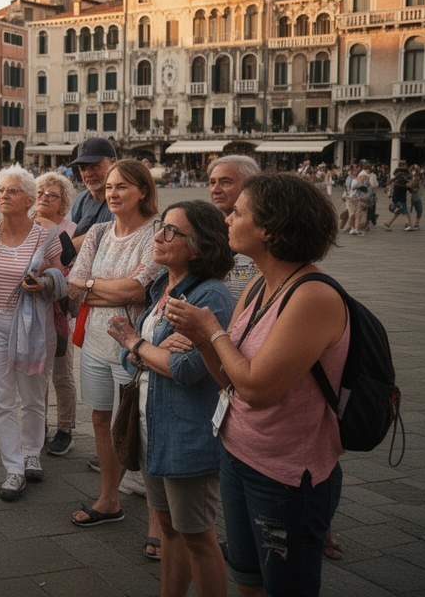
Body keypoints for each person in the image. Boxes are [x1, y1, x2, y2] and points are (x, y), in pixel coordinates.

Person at [167, 173, 347, 596]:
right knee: (246, 575)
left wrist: (210, 329)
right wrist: (202, 338)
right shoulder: (259, 284)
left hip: (285, 473)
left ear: (268, 229)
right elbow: (228, 378)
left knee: (286, 585)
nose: (227, 218)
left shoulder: (312, 296)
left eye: (238, 213)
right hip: (238, 452)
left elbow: (257, 390)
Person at [107, 201, 235, 597]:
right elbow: (138, 362)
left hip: (187, 433)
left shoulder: (210, 296)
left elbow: (186, 369)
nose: (158, 236)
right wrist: (147, 350)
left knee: (197, 535)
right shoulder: (164, 288)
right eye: (160, 227)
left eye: (170, 231)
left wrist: (135, 341)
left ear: (197, 246)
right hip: (153, 426)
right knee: (167, 531)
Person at [68, 159, 162, 527]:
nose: (112, 193)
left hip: (134, 347)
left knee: (141, 426)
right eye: (109, 187)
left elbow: (139, 288)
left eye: (122, 186)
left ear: (143, 191)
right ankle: (109, 499)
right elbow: (75, 287)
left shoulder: (157, 233)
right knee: (100, 419)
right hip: (94, 341)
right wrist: (104, 291)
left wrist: (93, 287)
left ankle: (158, 521)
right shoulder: (98, 232)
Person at [0, 166, 66, 501]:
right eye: (0, 190)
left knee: (32, 394)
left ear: (29, 199)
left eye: (12, 191)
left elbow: (61, 274)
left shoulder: (46, 235)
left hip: (33, 325)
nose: (4, 196)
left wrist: (45, 281)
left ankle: (31, 453)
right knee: (2, 398)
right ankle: (13, 468)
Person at [33, 171, 78, 457]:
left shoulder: (70, 230)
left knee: (62, 374)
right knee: (37, 373)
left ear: (63, 203)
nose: (45, 198)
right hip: (33, 312)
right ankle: (40, 425)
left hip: (59, 312)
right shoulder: (26, 225)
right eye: (40, 193)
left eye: (52, 195)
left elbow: (68, 267)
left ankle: (65, 428)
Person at [206, 155, 261, 300]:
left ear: (250, 186)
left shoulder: (262, 236)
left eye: (225, 182)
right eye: (212, 183)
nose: (215, 190)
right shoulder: (208, 233)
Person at [68, 137, 118, 250]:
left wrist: (67, 247)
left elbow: (114, 238)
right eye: (83, 168)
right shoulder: (80, 199)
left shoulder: (121, 199)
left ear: (113, 162)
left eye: (94, 166)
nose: (88, 174)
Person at [383, 161, 411, 230]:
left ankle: (409, 224)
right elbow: (404, 184)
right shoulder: (404, 174)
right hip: (400, 196)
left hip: (396, 195)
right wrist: (409, 187)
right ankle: (389, 224)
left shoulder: (397, 174)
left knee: (402, 211)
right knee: (401, 212)